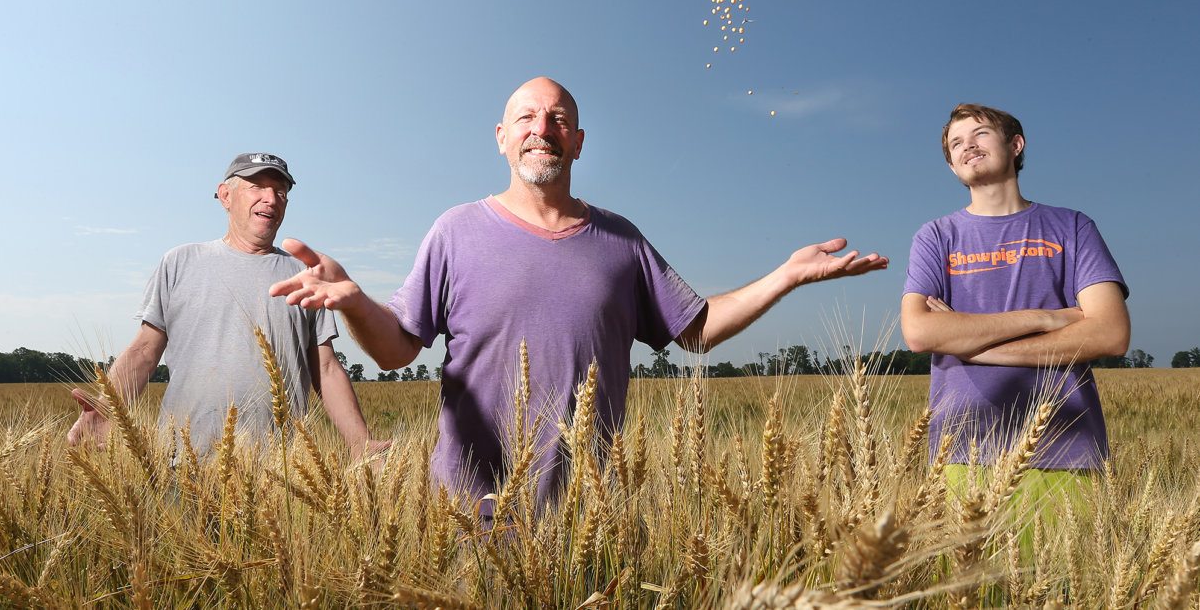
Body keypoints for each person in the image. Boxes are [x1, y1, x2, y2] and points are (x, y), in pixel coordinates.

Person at [270, 77, 888, 505]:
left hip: (591, 512)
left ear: (579, 141)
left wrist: (788, 275)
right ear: (502, 137)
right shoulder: (454, 231)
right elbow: (396, 351)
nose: (543, 128)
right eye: (527, 118)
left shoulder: (621, 239)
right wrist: (353, 301)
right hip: (465, 515)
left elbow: (697, 330)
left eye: (559, 119)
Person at [67, 152, 383, 460]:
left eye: (280, 191)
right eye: (257, 187)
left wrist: (360, 442)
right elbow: (144, 352)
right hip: (182, 462)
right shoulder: (180, 262)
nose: (271, 199)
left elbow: (325, 367)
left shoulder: (306, 275)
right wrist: (107, 410)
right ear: (225, 196)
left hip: (279, 472)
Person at [900, 104, 1130, 489]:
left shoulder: (1072, 227)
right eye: (956, 143)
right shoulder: (935, 237)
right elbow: (920, 333)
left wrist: (976, 348)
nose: (967, 146)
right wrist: (1046, 318)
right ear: (952, 167)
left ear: (1016, 144)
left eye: (980, 134)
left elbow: (1111, 334)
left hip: (1067, 448)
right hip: (961, 453)